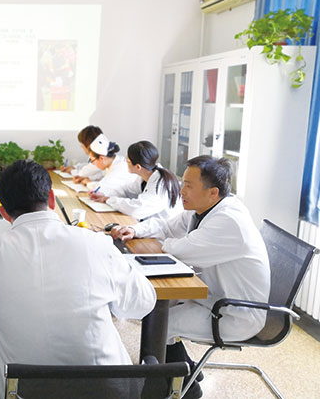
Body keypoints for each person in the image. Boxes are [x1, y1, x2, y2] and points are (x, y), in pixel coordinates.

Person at [0, 160, 157, 399]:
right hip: (106, 389)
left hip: (22, 390)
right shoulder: (96, 243)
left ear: (3, 212)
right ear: (51, 199)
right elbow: (141, 305)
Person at [111, 155, 270, 399]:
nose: (181, 190)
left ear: (213, 192)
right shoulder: (202, 209)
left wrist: (164, 243)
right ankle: (186, 369)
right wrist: (135, 229)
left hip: (235, 313)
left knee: (163, 325)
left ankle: (186, 389)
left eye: (188, 185)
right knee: (155, 312)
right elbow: (166, 227)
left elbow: (182, 248)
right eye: (182, 182)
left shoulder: (229, 220)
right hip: (211, 298)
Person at [90, 141, 183, 220]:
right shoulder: (146, 176)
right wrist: (105, 195)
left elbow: (136, 210)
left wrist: (109, 200)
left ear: (138, 167)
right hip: (149, 226)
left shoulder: (161, 184)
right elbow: (126, 190)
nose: (125, 163)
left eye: (128, 161)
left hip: (163, 232)